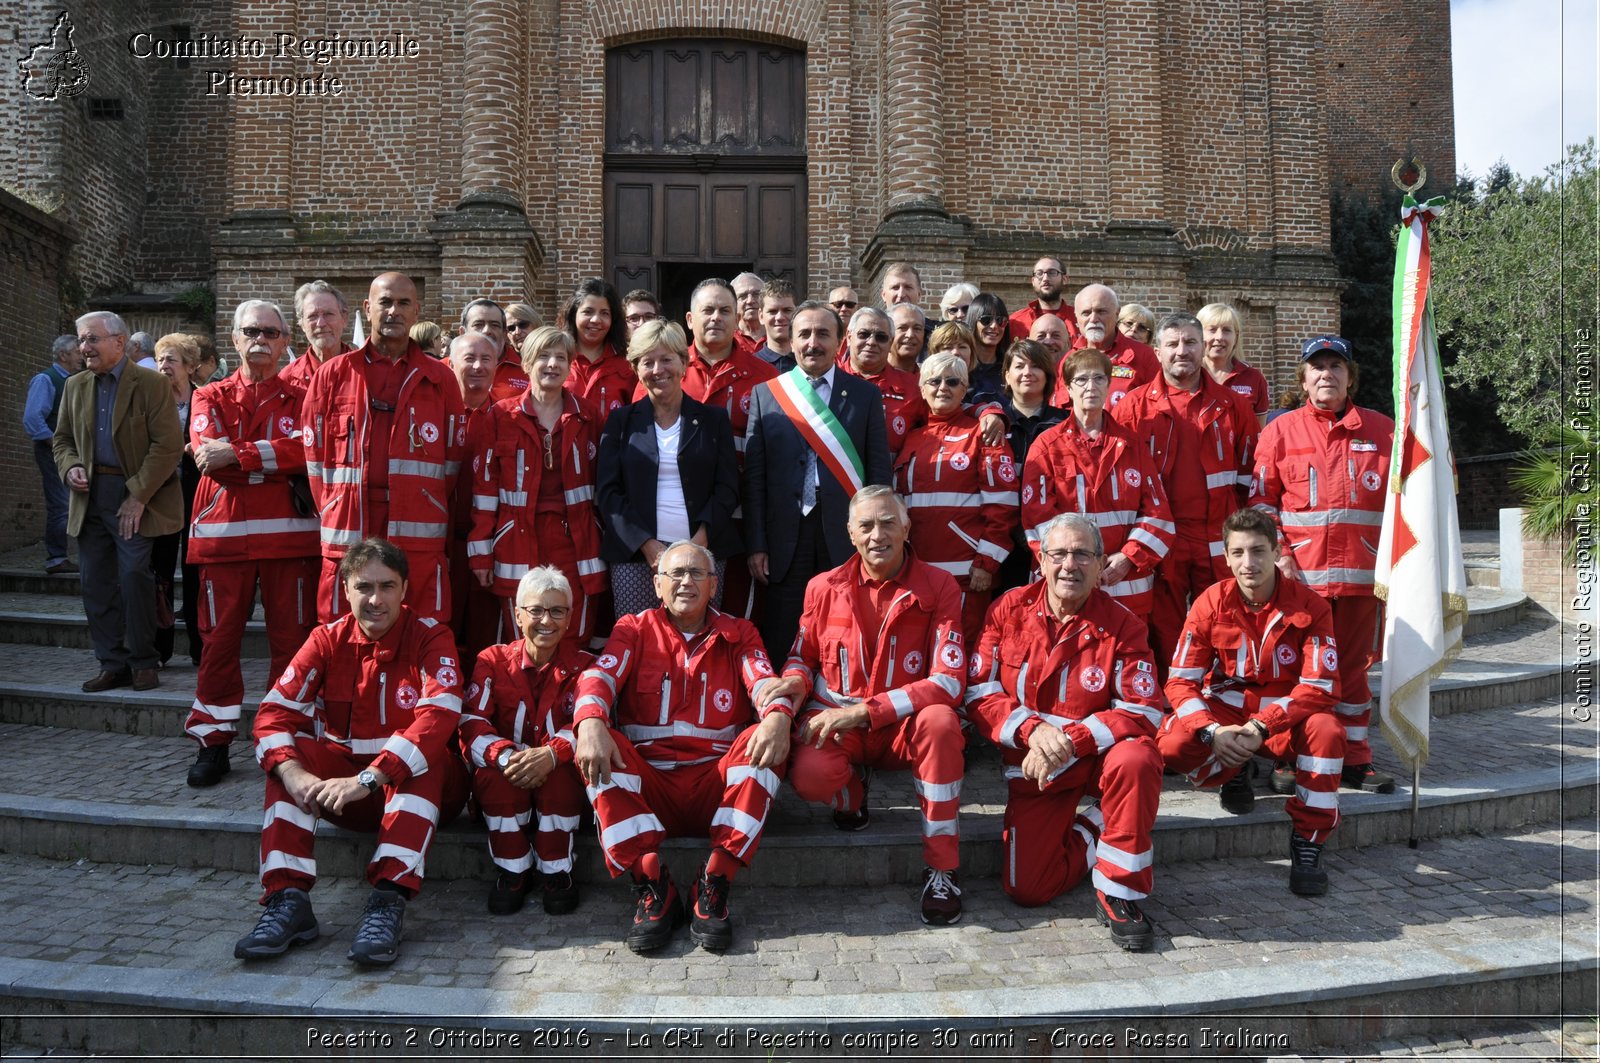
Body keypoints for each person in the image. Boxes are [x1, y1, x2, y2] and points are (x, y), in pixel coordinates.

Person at [233, 538, 466, 966]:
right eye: (364, 587)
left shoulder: (432, 637)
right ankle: (288, 900)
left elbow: (439, 715)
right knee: (290, 754)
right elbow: (271, 716)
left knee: (424, 755)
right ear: (345, 590)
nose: (376, 600)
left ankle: (387, 901)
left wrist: (371, 777)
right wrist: (293, 774)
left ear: (405, 589)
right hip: (348, 794)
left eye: (387, 586)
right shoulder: (325, 640)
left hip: (417, 791)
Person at [573, 540, 794, 953]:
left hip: (715, 787)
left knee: (763, 739)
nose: (686, 582)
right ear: (657, 585)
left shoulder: (739, 632)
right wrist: (588, 722)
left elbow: (765, 681)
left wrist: (779, 715)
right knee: (599, 740)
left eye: (697, 574)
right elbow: (597, 678)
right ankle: (653, 885)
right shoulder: (633, 629)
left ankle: (714, 883)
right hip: (650, 789)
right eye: (675, 574)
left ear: (714, 585)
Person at [771, 485, 968, 925]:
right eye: (866, 525)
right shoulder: (822, 586)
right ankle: (851, 797)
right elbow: (802, 657)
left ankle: (942, 868)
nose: (877, 534)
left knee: (941, 721)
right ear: (850, 533)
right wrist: (791, 686)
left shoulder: (940, 586)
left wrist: (868, 711)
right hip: (839, 723)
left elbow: (949, 681)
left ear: (906, 527)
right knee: (808, 776)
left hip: (903, 726)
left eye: (887, 522)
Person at [966, 513, 1164, 949]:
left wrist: (1071, 741)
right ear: (1040, 559)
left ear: (1099, 564)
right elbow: (978, 691)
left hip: (1093, 761)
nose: (1068, 565)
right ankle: (1102, 823)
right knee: (1028, 889)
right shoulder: (1008, 608)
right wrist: (1033, 732)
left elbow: (1144, 709)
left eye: (1081, 554)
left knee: (1138, 758)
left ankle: (1119, 892)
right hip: (1034, 767)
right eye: (1058, 554)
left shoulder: (1125, 624)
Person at [1158, 508, 1345, 896]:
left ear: (1277, 552)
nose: (1249, 563)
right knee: (1172, 742)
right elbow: (1180, 681)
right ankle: (1233, 768)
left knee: (1327, 731)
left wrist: (1262, 725)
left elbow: (1318, 687)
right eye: (1238, 553)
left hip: (1285, 716)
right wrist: (1212, 732)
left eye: (1258, 550)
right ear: (1225, 557)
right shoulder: (1210, 602)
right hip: (1228, 710)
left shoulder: (1311, 606)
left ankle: (1309, 839)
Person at [1251, 335, 1396, 794]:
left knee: (1351, 674)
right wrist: (1281, 560)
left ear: (1350, 377)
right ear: (1304, 378)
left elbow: (1405, 505)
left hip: (1360, 580)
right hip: (1300, 582)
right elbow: (1261, 504)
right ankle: (1288, 755)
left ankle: (1355, 761)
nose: (1326, 375)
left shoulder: (1384, 431)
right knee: (1293, 671)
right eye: (1317, 367)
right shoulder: (1279, 431)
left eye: (1336, 367)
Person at [183, 302, 319, 788]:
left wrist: (240, 455)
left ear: (286, 342)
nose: (260, 338)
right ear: (234, 341)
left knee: (292, 646)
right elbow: (207, 458)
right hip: (224, 544)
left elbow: (312, 449)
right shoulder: (210, 395)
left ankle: (281, 739)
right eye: (250, 331)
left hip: (291, 542)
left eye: (270, 331)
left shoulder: (306, 394)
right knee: (218, 644)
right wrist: (273, 463)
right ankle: (213, 741)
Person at [302, 271, 467, 624]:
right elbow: (315, 463)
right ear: (367, 308)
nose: (394, 311)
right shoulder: (333, 375)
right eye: (385, 302)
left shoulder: (440, 379)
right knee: (342, 628)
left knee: (422, 627)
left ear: (416, 311)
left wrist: (423, 498)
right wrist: (334, 505)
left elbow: (451, 463)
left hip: (416, 525)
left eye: (403, 303)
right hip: (349, 525)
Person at [743, 301, 893, 661]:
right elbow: (755, 479)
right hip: (784, 537)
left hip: (844, 533)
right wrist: (757, 543)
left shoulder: (865, 395)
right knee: (782, 626)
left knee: (843, 621)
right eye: (805, 334)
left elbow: (877, 474)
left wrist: (877, 535)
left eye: (823, 334)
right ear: (791, 342)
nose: (813, 342)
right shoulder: (767, 395)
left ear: (840, 342)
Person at [1113, 312, 1259, 674]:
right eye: (1173, 344)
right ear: (1157, 351)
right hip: (1162, 537)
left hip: (1217, 535)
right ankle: (1172, 702)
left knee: (1223, 620)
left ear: (1203, 347)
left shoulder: (1233, 405)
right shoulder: (1133, 407)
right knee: (1165, 626)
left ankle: (1219, 696)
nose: (1183, 351)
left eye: (1191, 342)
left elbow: (1249, 476)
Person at [53, 311, 183, 693]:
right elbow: (62, 441)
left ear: (118, 342)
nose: (84, 347)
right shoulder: (75, 386)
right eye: (81, 340)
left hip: (136, 496)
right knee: (94, 583)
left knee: (133, 578)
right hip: (89, 498)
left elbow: (167, 446)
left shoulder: (152, 384)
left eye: (92, 339)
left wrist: (138, 496)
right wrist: (71, 467)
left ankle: (144, 660)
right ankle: (112, 663)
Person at [460, 566, 591, 915]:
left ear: (569, 618)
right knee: (492, 776)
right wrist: (505, 757)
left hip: (557, 770)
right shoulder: (492, 660)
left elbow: (591, 723)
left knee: (564, 777)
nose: (545, 620)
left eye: (557, 610)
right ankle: (512, 869)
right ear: (517, 615)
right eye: (536, 610)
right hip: (508, 771)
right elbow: (472, 721)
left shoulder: (585, 666)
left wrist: (552, 754)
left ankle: (557, 870)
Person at [469, 326, 605, 647]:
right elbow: (484, 491)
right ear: (527, 364)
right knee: (524, 633)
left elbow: (604, 485)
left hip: (577, 542)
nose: (552, 364)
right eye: (543, 356)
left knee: (573, 629)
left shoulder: (588, 416)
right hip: (516, 540)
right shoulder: (500, 416)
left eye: (561, 357)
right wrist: (480, 554)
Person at [597, 320, 740, 616]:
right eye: (647, 362)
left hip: (703, 553)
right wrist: (648, 545)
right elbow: (609, 492)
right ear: (636, 369)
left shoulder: (714, 420)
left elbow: (728, 487)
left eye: (666, 359)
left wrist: (700, 541)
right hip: (635, 557)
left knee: (699, 640)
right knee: (638, 639)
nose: (658, 370)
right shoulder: (621, 422)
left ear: (684, 362)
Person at [1023, 349, 1174, 617]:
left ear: (1108, 385)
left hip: (1127, 585)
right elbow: (1037, 519)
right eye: (1081, 380)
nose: (1090, 387)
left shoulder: (1133, 445)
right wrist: (1079, 564)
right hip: (1068, 583)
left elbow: (1157, 512)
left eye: (1099, 379)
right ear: (1068, 388)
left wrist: (1129, 558)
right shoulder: (1046, 447)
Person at [893, 353, 1018, 642]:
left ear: (965, 389)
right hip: (917, 571)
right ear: (922, 389)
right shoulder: (912, 437)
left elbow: (1004, 504)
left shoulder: (983, 433)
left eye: (953, 381)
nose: (943, 388)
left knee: (960, 649)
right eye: (934, 381)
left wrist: (987, 562)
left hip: (967, 574)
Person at [445, 331, 505, 668]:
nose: (478, 366)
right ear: (451, 363)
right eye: (469, 358)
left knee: (486, 643)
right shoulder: (436, 412)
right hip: (443, 547)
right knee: (442, 634)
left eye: (487, 359)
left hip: (491, 548)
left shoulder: (507, 418)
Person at [994, 340, 1068, 591]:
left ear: (1047, 376)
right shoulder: (993, 422)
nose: (1027, 372)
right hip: (999, 543)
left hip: (1052, 540)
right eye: (1019, 366)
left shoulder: (1066, 424)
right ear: (1007, 375)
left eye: (1036, 366)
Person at [150, 334, 204, 669]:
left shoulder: (205, 398)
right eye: (159, 360)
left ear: (189, 365)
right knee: (161, 571)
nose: (163, 366)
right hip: (162, 495)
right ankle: (160, 648)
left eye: (170, 359)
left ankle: (200, 646)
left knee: (197, 570)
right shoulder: (151, 398)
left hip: (198, 494)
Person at [23, 335, 83, 575]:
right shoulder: (46, 379)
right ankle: (56, 558)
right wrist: (55, 443)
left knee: (72, 502)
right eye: (77, 352)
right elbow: (33, 418)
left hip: (71, 451)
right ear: (63, 355)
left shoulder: (76, 381)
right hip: (52, 451)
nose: (81, 356)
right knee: (60, 503)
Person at [1050, 284, 1160, 411]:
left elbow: (1157, 407)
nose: (1093, 319)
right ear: (1077, 317)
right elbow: (1058, 410)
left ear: (1116, 314)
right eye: (1086, 313)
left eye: (1101, 311)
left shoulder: (1144, 356)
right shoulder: (1067, 361)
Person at [839, 306, 925, 463]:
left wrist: (981, 411)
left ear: (890, 342)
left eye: (881, 337)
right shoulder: (828, 381)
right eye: (863, 334)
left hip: (890, 483)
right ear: (849, 336)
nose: (871, 342)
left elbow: (945, 420)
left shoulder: (915, 388)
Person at [562, 279, 635, 419]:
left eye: (604, 313)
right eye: (588, 312)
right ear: (573, 315)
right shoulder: (557, 358)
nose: (596, 320)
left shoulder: (627, 363)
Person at [1197, 302, 1270, 425]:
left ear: (1236, 337)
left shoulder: (1253, 378)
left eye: (1226, 330)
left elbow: (1258, 432)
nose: (1219, 337)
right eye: (1212, 330)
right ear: (1198, 334)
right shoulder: (1188, 375)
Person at [282, 279, 351, 390]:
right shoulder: (287, 380)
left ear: (344, 319)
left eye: (328, 314)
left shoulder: (365, 371)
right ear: (302, 323)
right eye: (312, 316)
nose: (321, 323)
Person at [460, 297, 530, 403]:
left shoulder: (527, 369)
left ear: (504, 333)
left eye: (494, 325)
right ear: (462, 332)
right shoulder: (444, 369)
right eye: (478, 324)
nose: (487, 330)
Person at [1008, 257, 1077, 343]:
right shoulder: (1015, 322)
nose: (1045, 278)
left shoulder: (1079, 320)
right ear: (1033, 281)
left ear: (1064, 279)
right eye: (1039, 273)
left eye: (1052, 272)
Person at [754, 276, 797, 373]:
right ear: (761, 317)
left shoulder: (811, 365)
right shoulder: (749, 366)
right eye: (772, 311)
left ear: (797, 313)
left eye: (787, 310)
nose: (780, 317)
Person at [969, 292, 1011, 378]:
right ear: (973, 321)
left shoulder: (1010, 367)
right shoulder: (961, 366)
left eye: (1000, 320)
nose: (994, 326)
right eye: (986, 319)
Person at [731, 271, 767, 351]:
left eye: (756, 294)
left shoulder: (779, 336)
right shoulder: (727, 340)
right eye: (743, 296)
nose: (750, 301)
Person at [887, 303, 926, 374]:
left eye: (917, 328)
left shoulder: (930, 380)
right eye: (902, 328)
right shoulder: (869, 380)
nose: (910, 335)